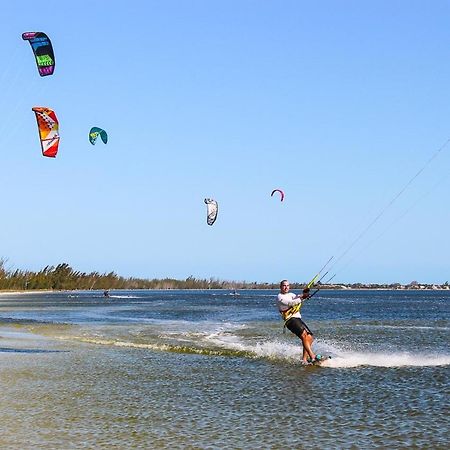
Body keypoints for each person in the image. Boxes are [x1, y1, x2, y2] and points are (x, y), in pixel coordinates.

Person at [276, 280, 323, 363]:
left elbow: (297, 297)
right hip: (290, 320)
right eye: (284, 285)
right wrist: (303, 297)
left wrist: (305, 293)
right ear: (280, 287)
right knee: (304, 336)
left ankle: (304, 359)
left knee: (310, 338)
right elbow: (291, 303)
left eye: (287, 285)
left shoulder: (291, 294)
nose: (286, 287)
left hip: (297, 318)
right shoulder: (280, 297)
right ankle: (313, 357)